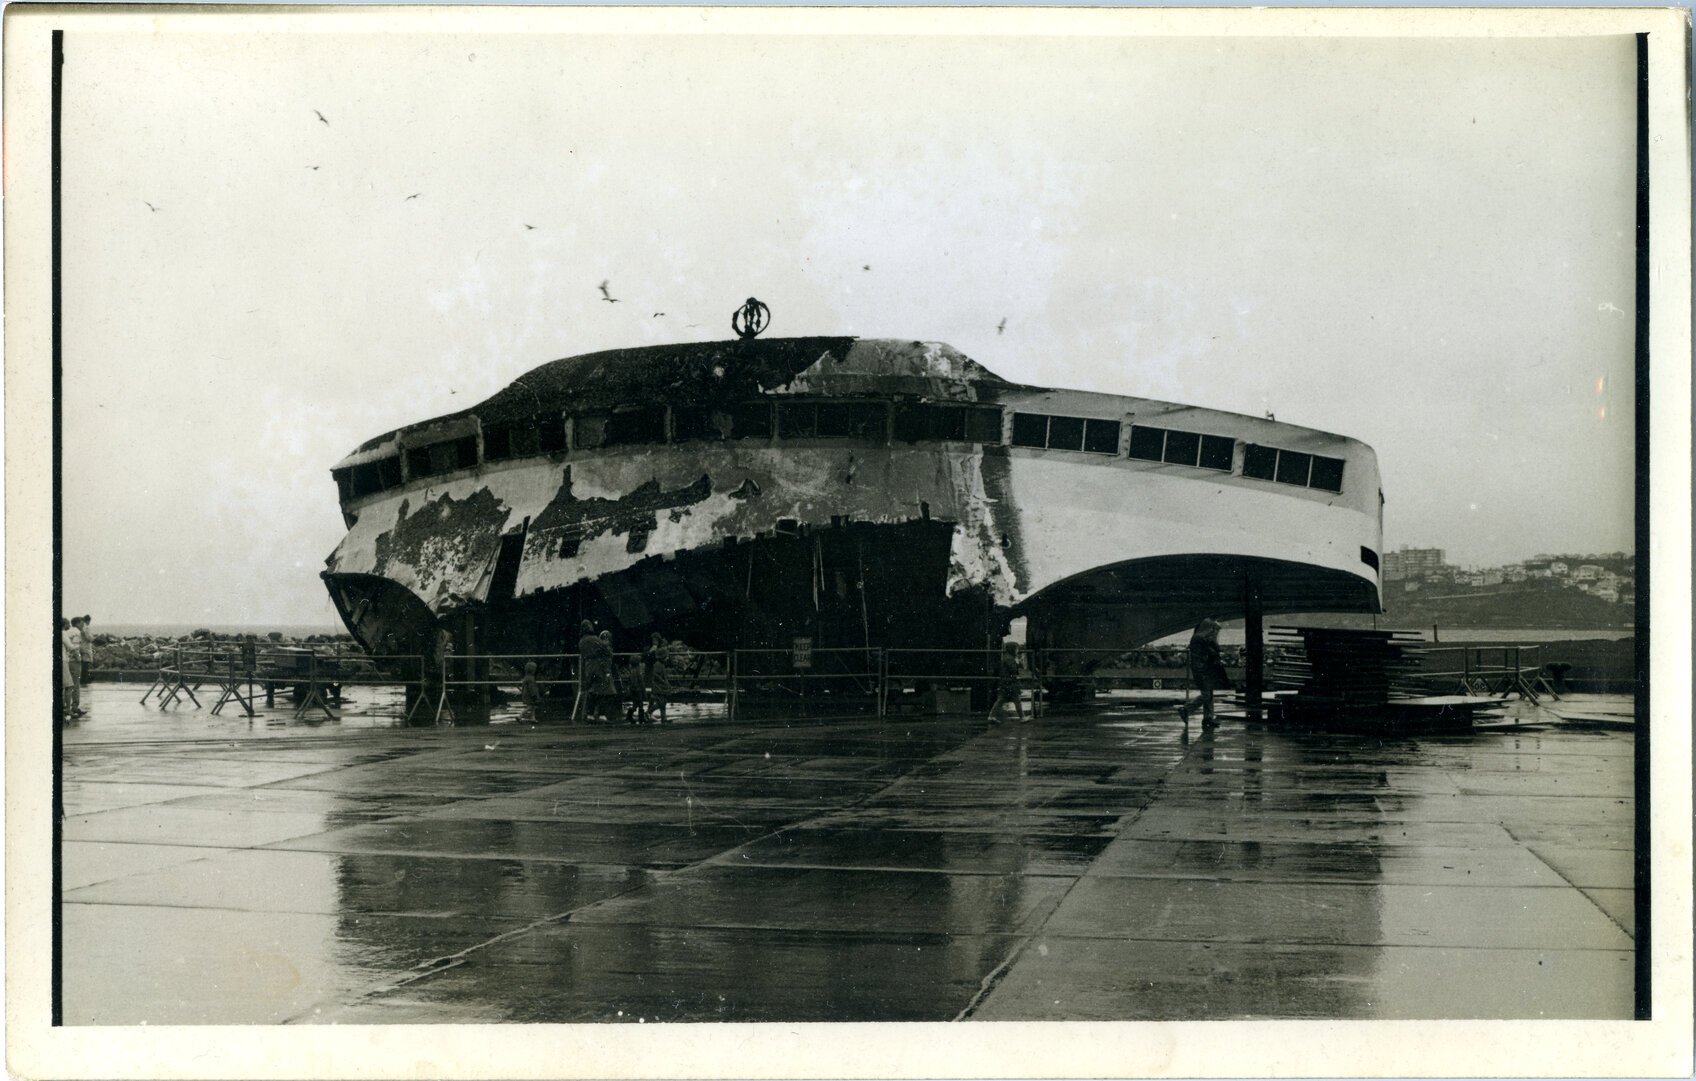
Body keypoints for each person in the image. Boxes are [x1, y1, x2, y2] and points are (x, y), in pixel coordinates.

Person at [1180, 617, 1231, 726]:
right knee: (1207, 694)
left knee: (1209, 694)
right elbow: (1213, 651)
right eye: (1213, 629)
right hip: (1203, 670)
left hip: (1203, 669)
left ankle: (1208, 718)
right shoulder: (1202, 639)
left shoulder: (1199, 638)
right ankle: (1187, 709)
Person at [572, 621, 616, 724]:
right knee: (604, 691)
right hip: (599, 667)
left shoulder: (581, 641)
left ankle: (590, 714)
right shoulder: (595, 639)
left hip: (588, 667)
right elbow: (606, 651)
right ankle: (601, 714)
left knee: (592, 691)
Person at [986, 640, 1025, 724]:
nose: (1017, 651)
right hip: (1010, 683)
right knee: (1016, 699)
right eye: (1016, 649)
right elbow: (1013, 669)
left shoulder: (1006, 657)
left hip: (1005, 682)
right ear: (1012, 649)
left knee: (1001, 699)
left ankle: (991, 716)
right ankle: (1022, 717)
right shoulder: (1009, 659)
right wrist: (1019, 663)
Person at [643, 632, 674, 725]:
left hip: (659, 684)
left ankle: (662, 717)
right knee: (660, 701)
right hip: (657, 683)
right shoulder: (656, 661)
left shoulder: (661, 662)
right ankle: (648, 712)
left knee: (661, 701)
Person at [61, 617, 84, 716]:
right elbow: (74, 648)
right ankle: (74, 707)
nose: (83, 625)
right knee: (75, 685)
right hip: (73, 661)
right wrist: (79, 658)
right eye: (82, 623)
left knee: (65, 685)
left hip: (68, 660)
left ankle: (65, 706)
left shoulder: (68, 632)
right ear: (78, 623)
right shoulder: (77, 633)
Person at [77, 614, 95, 686]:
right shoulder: (86, 627)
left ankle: (83, 679)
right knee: (85, 663)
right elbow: (89, 638)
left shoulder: (81, 627)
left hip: (81, 646)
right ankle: (84, 680)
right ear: (88, 620)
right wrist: (94, 638)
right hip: (86, 647)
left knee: (83, 663)